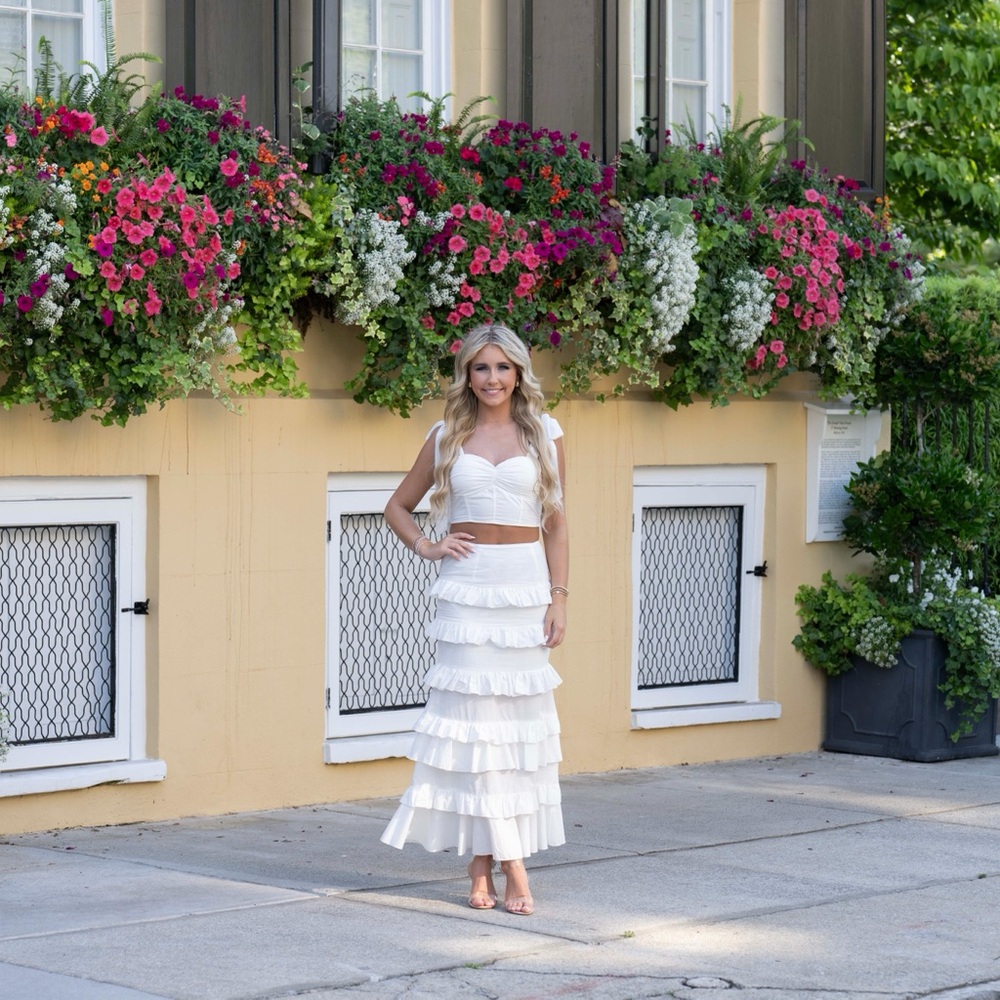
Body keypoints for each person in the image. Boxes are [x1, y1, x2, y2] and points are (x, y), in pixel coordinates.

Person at [380, 322, 568, 916]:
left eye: (502, 367)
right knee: (475, 725)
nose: (492, 379)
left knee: (513, 733)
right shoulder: (446, 435)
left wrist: (558, 596)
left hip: (522, 588)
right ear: (467, 374)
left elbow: (557, 522)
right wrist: (429, 546)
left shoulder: (545, 433)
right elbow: (396, 507)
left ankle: (483, 862)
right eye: (481, 368)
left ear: (519, 374)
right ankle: (512, 866)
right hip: (466, 591)